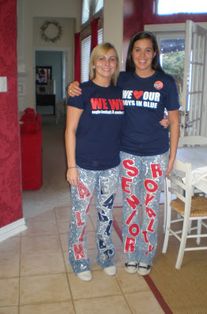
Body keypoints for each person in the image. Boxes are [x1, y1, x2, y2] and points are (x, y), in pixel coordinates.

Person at [68, 31, 180, 276]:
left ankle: (144, 253)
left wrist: (171, 156)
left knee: (149, 206)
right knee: (129, 206)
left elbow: (174, 120)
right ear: (131, 54)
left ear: (154, 53)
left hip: (152, 154)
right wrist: (72, 86)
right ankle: (128, 252)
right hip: (125, 154)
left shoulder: (164, 82)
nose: (142, 55)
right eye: (137, 50)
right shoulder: (123, 81)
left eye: (147, 50)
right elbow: (91, 93)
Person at [65, 42, 124, 281]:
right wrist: (71, 166)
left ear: (116, 64)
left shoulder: (120, 93)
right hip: (84, 165)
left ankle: (106, 255)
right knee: (79, 215)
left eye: (111, 59)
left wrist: (163, 122)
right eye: (101, 59)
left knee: (106, 214)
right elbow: (70, 130)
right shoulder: (81, 91)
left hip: (111, 165)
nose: (106, 63)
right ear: (93, 63)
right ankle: (78, 258)